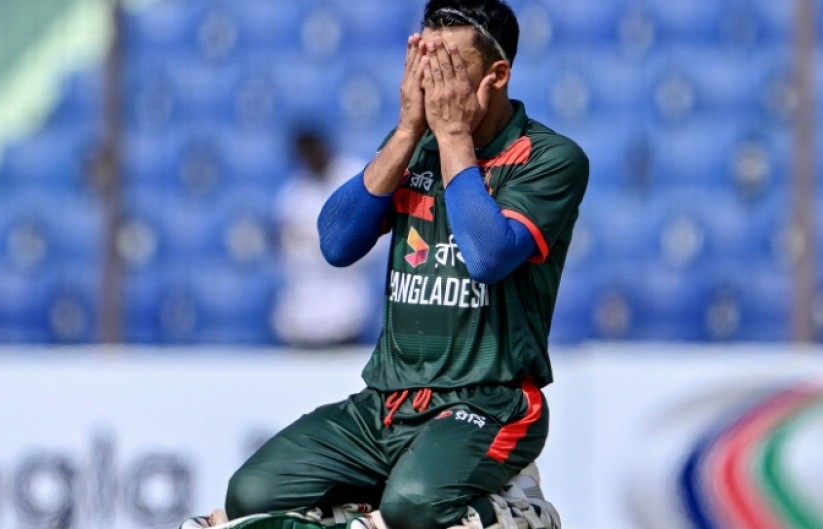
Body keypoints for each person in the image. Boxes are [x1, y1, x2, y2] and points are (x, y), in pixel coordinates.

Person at [181, 0, 588, 527]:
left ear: (498, 74)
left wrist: (451, 139)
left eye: (449, 68)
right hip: (390, 400)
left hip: (491, 402)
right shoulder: (412, 145)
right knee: (253, 493)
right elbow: (336, 243)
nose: (434, 84)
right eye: (426, 63)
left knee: (411, 507)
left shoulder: (551, 158)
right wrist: (404, 132)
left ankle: (515, 509)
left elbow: (488, 256)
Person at [272, 127, 376, 348]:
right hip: (302, 317)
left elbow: (374, 241)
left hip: (346, 312)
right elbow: (284, 248)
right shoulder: (293, 194)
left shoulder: (356, 178)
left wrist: (317, 243)